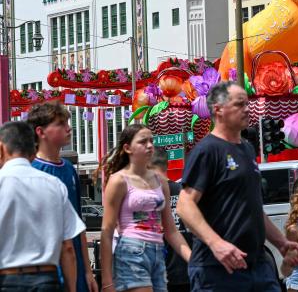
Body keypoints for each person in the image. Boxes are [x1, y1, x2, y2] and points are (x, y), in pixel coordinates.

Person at [177, 81, 298, 291]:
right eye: (239, 104)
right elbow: (184, 205)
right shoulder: (207, 151)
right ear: (218, 110)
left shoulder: (246, 149)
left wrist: (281, 242)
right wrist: (216, 243)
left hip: (257, 266)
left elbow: (253, 208)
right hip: (218, 269)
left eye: (247, 104)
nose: (247, 109)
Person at [99, 124, 191, 292]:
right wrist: (106, 281)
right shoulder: (118, 180)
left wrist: (192, 260)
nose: (149, 146)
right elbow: (107, 231)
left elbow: (171, 230)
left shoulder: (160, 181)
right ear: (128, 148)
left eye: (151, 141)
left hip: (158, 252)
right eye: (143, 142)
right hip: (131, 251)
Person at [0, 121, 85, 292]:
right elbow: (68, 248)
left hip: (7, 280)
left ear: (2, 149)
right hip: (47, 279)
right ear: (32, 153)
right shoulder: (54, 185)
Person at [27, 101, 98, 292]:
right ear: (41, 132)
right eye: (60, 124)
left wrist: (88, 271)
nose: (69, 128)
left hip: (74, 259)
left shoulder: (68, 169)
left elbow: (79, 224)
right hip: (45, 263)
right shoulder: (32, 170)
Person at [149, 149, 192, 292]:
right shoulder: (186, 194)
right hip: (188, 269)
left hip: (161, 273)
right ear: (166, 165)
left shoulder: (147, 197)